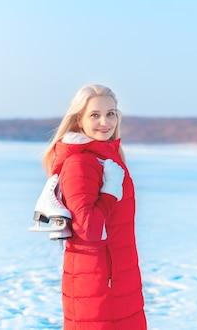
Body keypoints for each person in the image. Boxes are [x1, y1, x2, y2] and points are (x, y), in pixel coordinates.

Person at [42, 84, 147, 330]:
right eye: (95, 115)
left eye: (111, 113)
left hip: (118, 279)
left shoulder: (107, 158)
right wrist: (110, 190)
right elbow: (88, 228)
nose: (105, 122)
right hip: (98, 285)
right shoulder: (80, 163)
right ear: (79, 120)